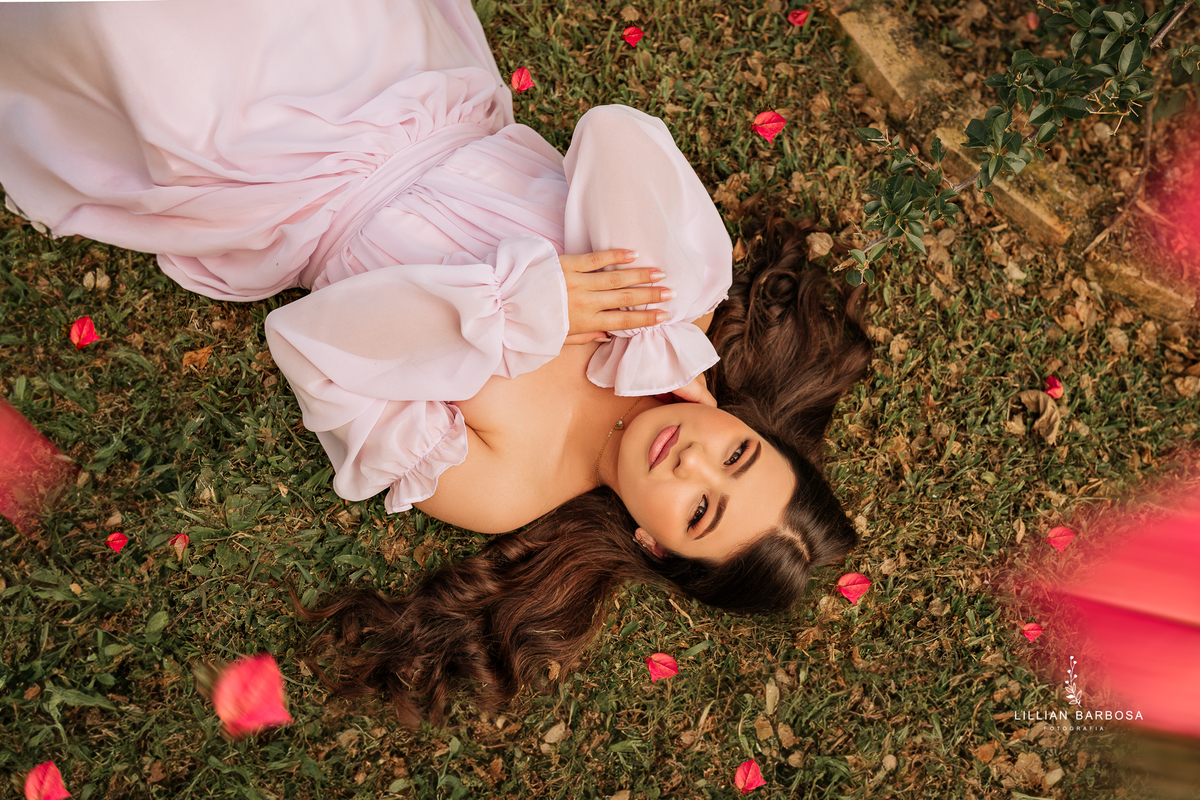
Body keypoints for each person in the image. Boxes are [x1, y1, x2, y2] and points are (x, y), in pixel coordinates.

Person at [0, 0, 871, 723]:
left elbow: (311, 347)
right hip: (406, 80)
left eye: (702, 510)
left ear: (655, 545)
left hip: (287, 177)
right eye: (737, 453)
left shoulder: (506, 491)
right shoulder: (672, 302)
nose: (693, 460)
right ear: (746, 425)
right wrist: (667, 315)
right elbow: (614, 135)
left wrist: (523, 311)